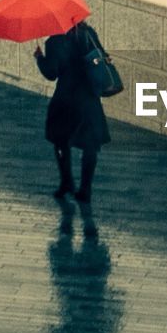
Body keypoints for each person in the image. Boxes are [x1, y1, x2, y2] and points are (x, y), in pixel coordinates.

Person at [33, 19, 112, 203]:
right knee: (90, 146)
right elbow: (102, 56)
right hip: (88, 99)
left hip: (65, 99)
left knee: (60, 141)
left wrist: (39, 58)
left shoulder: (54, 41)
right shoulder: (89, 34)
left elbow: (51, 73)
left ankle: (66, 182)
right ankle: (85, 189)